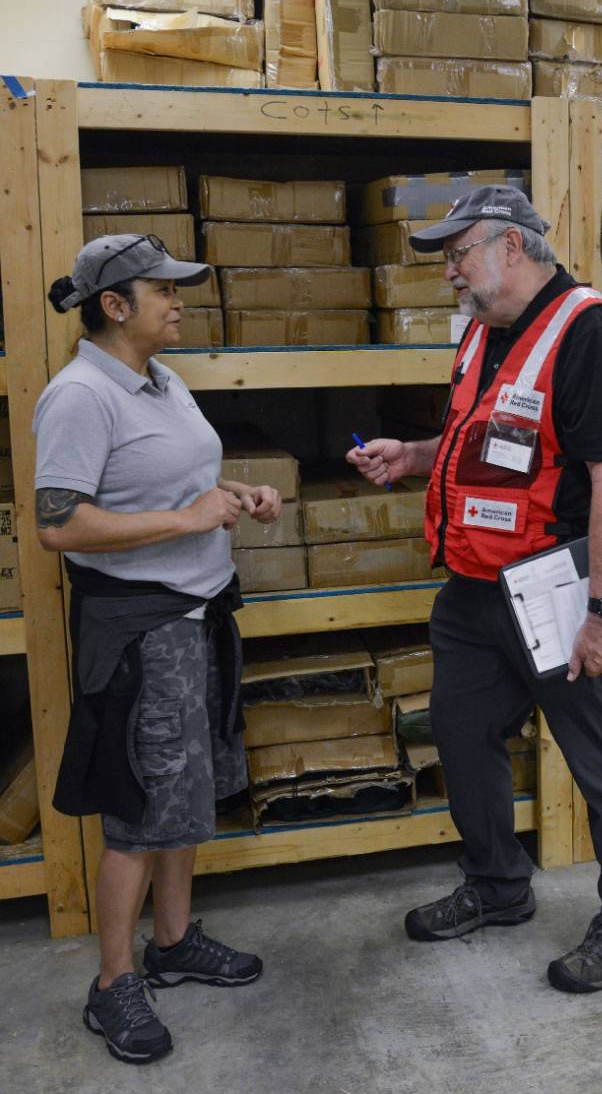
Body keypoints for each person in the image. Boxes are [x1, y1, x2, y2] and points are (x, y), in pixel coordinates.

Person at [347, 186, 602, 993]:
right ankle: (497, 886)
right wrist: (415, 457)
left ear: (512, 248)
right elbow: (497, 446)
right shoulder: (486, 334)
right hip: (473, 589)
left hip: (556, 591)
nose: (450, 273)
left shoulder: (589, 332)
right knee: (459, 735)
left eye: (459, 254)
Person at [36, 235, 283, 1065]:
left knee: (188, 789)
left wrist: (230, 494)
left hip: (198, 610)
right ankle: (112, 985)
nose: (179, 301)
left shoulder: (160, 380)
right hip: (141, 629)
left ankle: (172, 943)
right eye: (162, 290)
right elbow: (59, 523)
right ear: (114, 305)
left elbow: (174, 480)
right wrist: (185, 521)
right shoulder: (79, 396)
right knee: (140, 810)